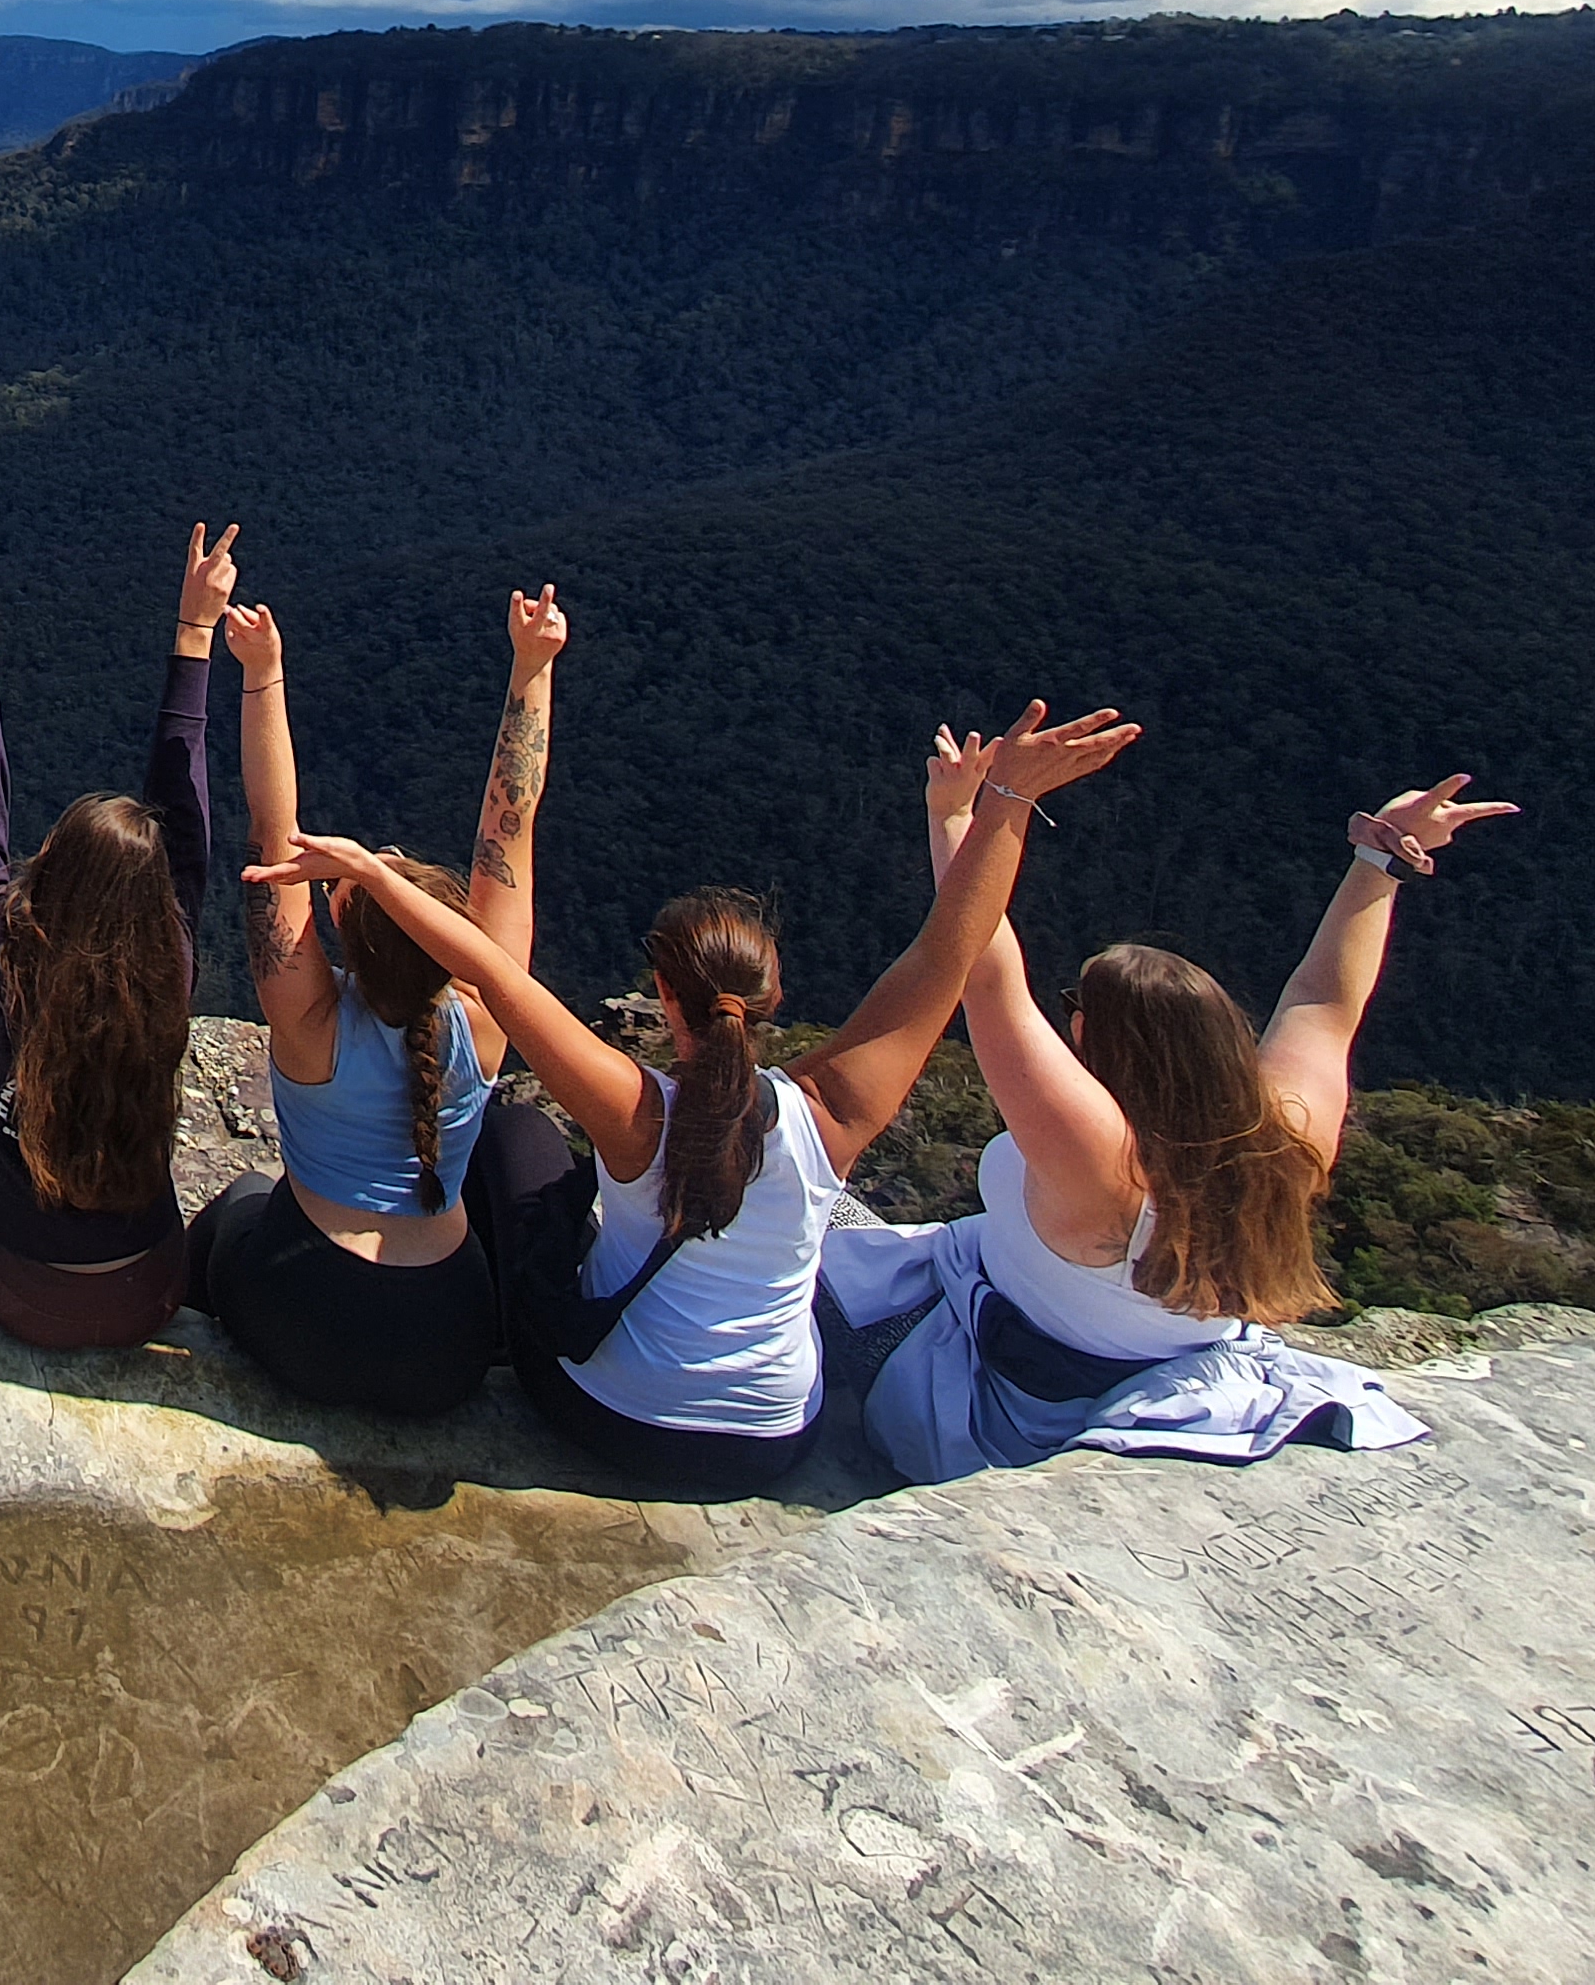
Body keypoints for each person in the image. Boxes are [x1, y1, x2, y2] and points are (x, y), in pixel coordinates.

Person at [405, 591, 1139, 1496]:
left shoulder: (635, 1112)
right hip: (770, 1440)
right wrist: (1000, 807)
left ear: (661, 995)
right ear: (772, 999)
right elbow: (950, 950)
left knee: (516, 1135)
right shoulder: (834, 1114)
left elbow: (497, 974)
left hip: (611, 1419)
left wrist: (374, 874)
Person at [826, 745, 1491, 1476]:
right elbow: (1324, 1002)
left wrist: (962, 815)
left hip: (998, 1398)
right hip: (1170, 1380)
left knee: (794, 1209)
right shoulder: (1284, 1141)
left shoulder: (1100, 1158)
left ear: (1092, 1033)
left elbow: (985, 974)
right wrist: (1379, 861)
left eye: (1075, 1005)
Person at [180, 597, 508, 1415]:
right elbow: (511, 830)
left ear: (337, 918)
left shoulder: (310, 1026)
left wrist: (263, 673)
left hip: (304, 1315)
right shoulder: (490, 1015)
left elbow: (274, 830)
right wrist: (532, 671)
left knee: (243, 1199)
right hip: (450, 1343)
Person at [0, 514, 216, 1349]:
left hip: (10, 1284)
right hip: (148, 1287)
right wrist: (194, 634)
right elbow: (187, 833)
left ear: (49, 873)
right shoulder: (167, 967)